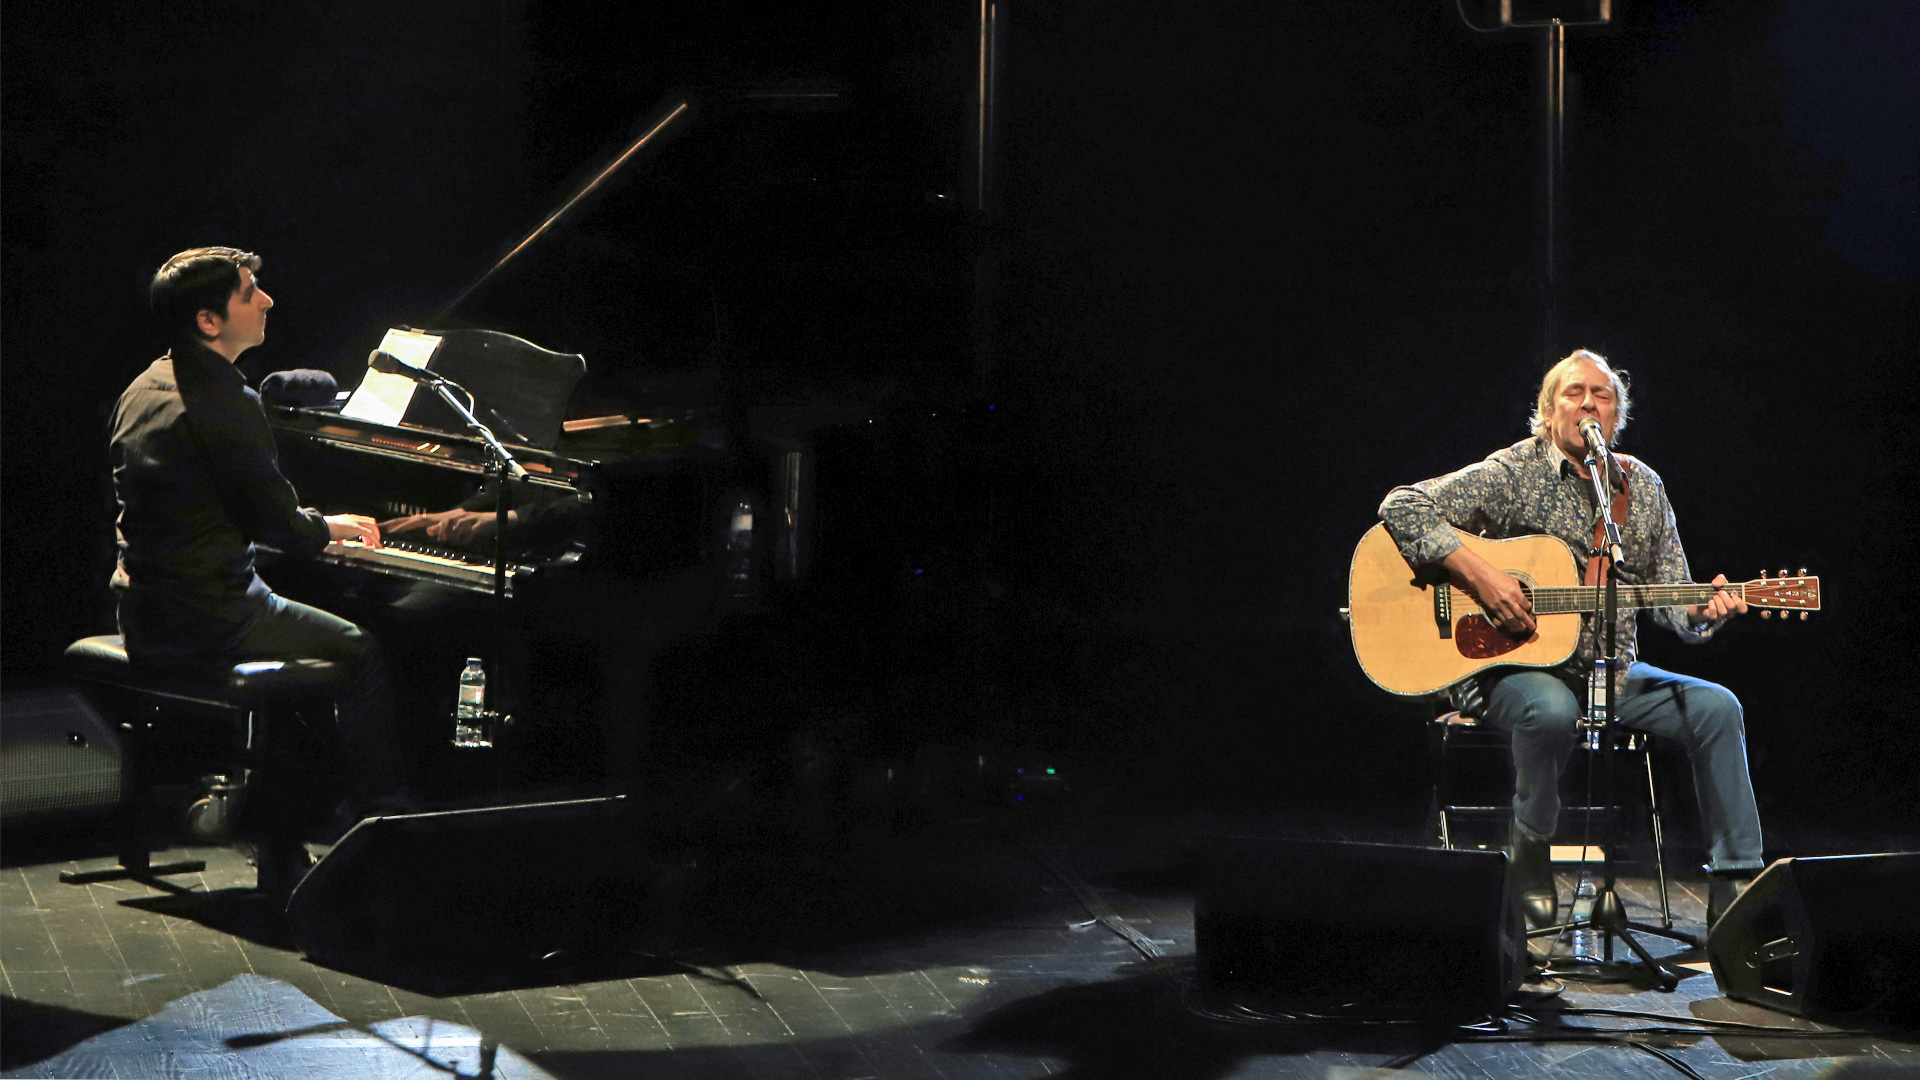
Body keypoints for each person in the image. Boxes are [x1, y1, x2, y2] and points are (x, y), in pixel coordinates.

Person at [1378, 349, 1762, 930]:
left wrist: (1708, 612)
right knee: (1552, 709)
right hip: (1507, 669)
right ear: (1548, 410)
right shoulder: (1514, 472)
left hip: (1613, 673)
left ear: (1617, 416)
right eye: (1573, 392)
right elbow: (1402, 505)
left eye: (1602, 395)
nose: (1588, 403)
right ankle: (1530, 846)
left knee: (1717, 707)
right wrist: (1485, 578)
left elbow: (1674, 602)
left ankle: (1736, 887)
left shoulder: (1643, 488)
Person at [109, 247, 412, 871]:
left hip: (143, 607)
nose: (267, 300)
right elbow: (276, 523)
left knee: (298, 638)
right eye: (250, 292)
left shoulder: (146, 384)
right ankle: (380, 814)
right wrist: (331, 528)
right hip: (206, 614)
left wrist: (311, 530)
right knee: (358, 648)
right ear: (209, 321)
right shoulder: (226, 401)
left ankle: (272, 816)